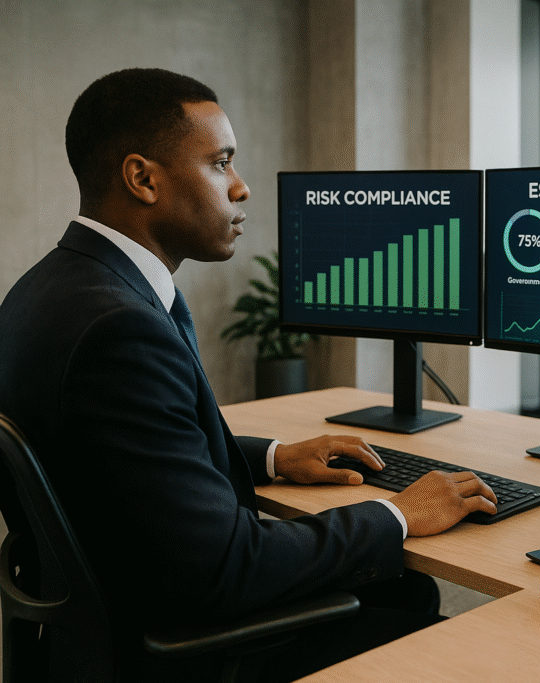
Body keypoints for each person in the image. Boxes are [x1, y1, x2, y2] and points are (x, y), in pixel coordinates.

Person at [0, 68, 497, 682]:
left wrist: (274, 457)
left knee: (403, 591)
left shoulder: (52, 290)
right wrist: (399, 514)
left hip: (110, 608)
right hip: (176, 645)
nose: (241, 189)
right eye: (220, 163)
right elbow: (226, 567)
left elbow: (130, 457)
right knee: (435, 622)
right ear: (143, 179)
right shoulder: (119, 329)